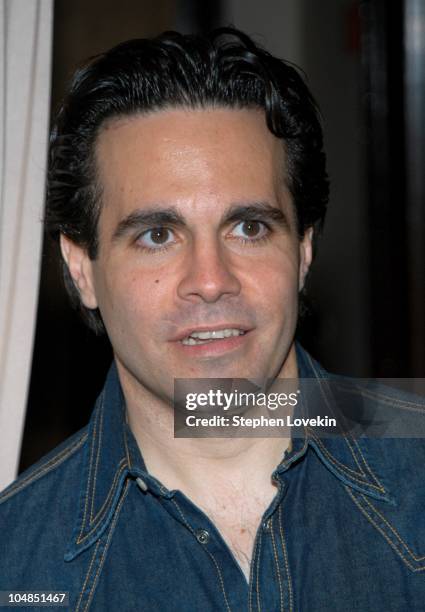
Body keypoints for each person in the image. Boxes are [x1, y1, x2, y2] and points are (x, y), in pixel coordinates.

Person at [1, 28, 425, 612]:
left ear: (303, 251)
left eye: (249, 228)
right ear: (81, 268)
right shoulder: (17, 564)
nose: (210, 279)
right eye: (157, 235)